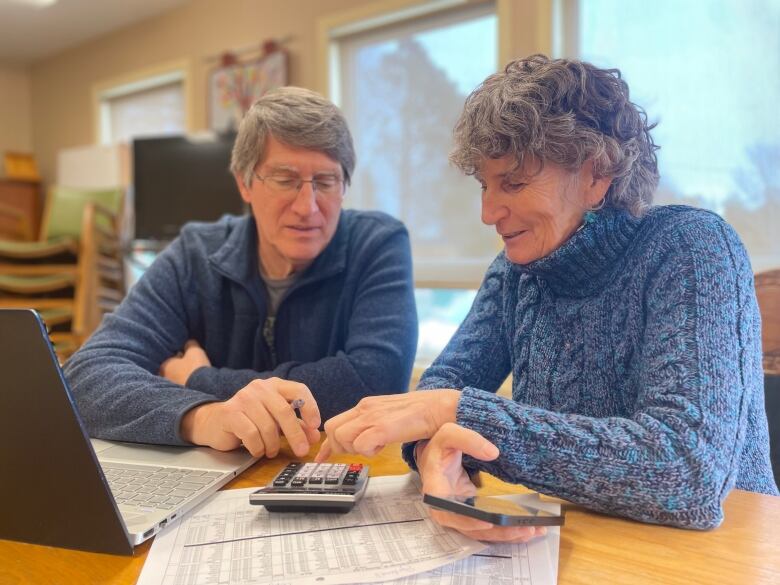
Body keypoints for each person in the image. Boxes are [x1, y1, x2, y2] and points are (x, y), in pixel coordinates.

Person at [317, 55, 779, 540]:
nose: (487, 211)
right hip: (574, 540)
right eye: (484, 184)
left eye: (513, 182)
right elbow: (440, 390)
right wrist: (435, 456)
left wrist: (457, 416)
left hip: (719, 552)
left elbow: (688, 471)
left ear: (596, 174)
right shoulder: (517, 270)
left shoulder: (692, 248)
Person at [64, 87, 418, 460]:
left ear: (344, 185)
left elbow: (377, 385)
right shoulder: (195, 254)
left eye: (326, 182)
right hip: (218, 480)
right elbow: (86, 376)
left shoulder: (378, 243)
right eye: (285, 180)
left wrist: (197, 380)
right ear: (244, 183)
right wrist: (203, 416)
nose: (308, 207)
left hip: (332, 470)